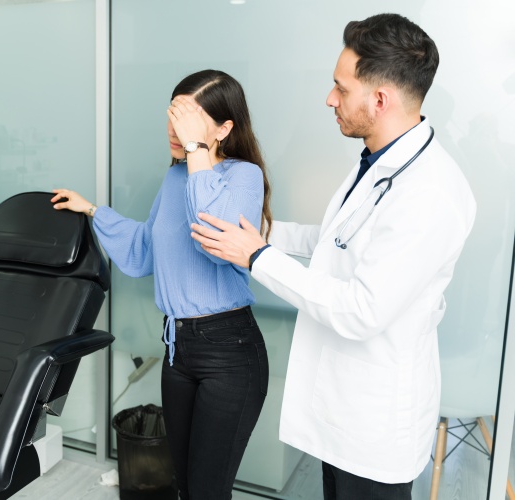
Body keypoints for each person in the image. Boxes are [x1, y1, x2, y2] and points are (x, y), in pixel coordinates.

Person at [189, 14, 476, 500]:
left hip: (374, 423)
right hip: (345, 414)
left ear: (379, 99)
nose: (329, 99)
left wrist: (257, 256)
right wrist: (263, 232)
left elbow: (362, 308)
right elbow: (340, 239)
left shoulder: (430, 194)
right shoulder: (378, 161)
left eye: (340, 89)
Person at [51, 69, 271, 500]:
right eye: (172, 116)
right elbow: (145, 250)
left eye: (188, 119)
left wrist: (195, 152)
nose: (175, 129)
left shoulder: (242, 176)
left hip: (229, 352)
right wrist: (93, 211)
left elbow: (216, 242)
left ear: (224, 128)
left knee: (208, 491)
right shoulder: (174, 179)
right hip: (177, 348)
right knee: (184, 485)